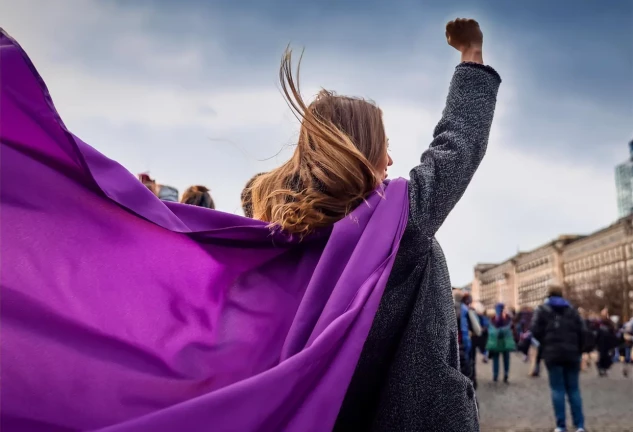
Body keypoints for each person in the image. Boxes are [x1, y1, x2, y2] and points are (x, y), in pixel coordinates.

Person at [1, 18, 501, 432]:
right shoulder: (396, 226)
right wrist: (471, 56)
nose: (391, 158)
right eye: (384, 144)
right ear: (361, 148)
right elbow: (458, 145)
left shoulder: (286, 239)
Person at [530, 285, 586, 432]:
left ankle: (561, 426)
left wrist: (545, 342)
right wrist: (579, 349)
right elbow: (583, 331)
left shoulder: (542, 310)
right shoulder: (572, 311)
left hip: (552, 354)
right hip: (572, 354)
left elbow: (534, 330)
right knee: (574, 390)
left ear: (548, 295)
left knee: (557, 390)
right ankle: (579, 425)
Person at [486, 303, 515, 383]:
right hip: (506, 341)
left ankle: (495, 376)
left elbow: (491, 330)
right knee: (506, 359)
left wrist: (497, 332)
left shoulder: (492, 319)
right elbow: (510, 328)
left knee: (496, 359)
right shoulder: (508, 318)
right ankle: (505, 375)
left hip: (496, 341)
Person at [596, 308, 617, 377]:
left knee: (607, 357)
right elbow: (597, 333)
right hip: (601, 342)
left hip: (608, 343)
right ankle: (601, 368)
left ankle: (605, 368)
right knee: (602, 356)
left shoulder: (610, 323)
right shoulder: (599, 323)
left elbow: (613, 333)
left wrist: (613, 343)